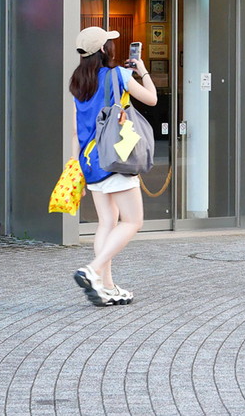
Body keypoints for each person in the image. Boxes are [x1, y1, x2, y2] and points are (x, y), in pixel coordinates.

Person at [70, 26, 157, 307]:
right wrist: (141, 70)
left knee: (107, 222)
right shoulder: (119, 74)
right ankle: (93, 270)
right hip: (115, 158)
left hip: (90, 161)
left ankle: (106, 286)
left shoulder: (78, 83)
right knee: (133, 221)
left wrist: (75, 171)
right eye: (109, 42)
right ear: (104, 50)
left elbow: (76, 132)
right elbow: (152, 99)